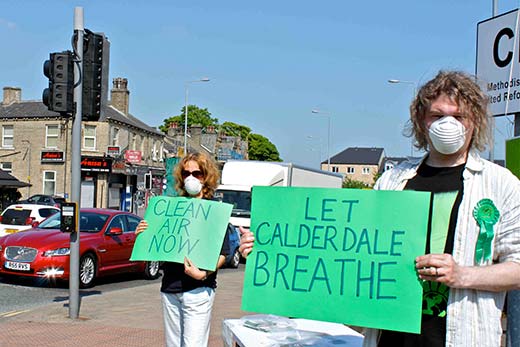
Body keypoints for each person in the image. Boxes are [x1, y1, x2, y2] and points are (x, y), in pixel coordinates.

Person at [239, 70, 520, 347]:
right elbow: (346, 254)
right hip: (390, 339)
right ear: (422, 121)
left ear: (474, 122)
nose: (448, 124)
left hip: (462, 336)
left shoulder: (500, 185)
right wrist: (268, 249)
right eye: (437, 115)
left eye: (458, 116)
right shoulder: (392, 180)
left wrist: (463, 275)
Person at [136, 152, 229, 347]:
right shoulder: (170, 207)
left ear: (207, 177)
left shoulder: (213, 211)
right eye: (186, 173)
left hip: (198, 290)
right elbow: (155, 243)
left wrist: (203, 274)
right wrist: (143, 233)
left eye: (197, 173)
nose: (191, 178)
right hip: (170, 288)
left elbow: (223, 253)